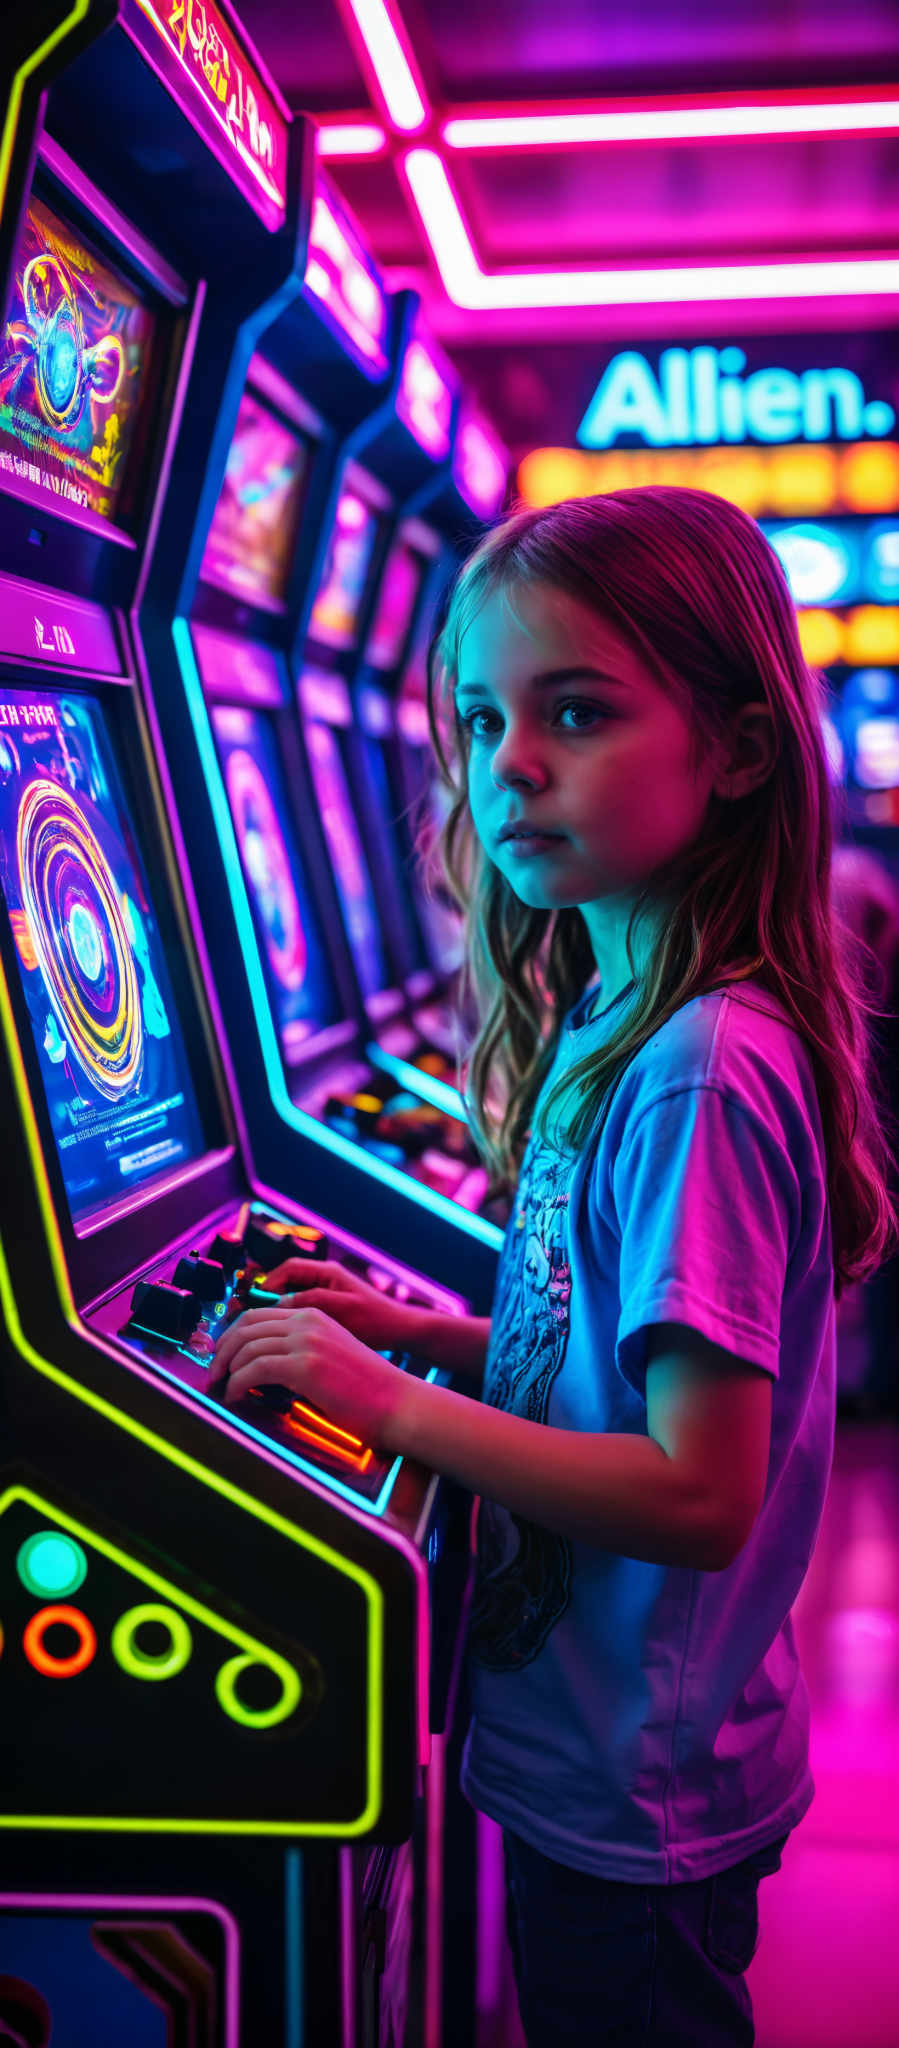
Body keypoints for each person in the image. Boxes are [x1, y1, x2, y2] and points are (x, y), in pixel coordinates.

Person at [209, 488, 899, 2046]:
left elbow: (693, 1493)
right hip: (618, 1746)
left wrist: (383, 1402)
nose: (507, 763)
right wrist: (419, 1332)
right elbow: (591, 1344)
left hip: (635, 1787)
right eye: (478, 716)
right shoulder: (626, 1009)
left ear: (734, 752)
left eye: (575, 713)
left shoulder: (700, 1069)